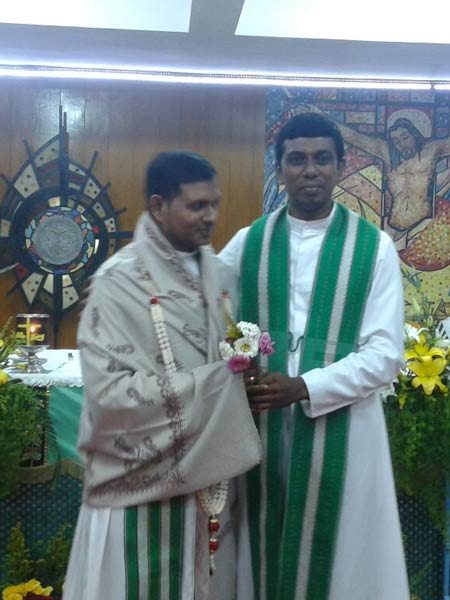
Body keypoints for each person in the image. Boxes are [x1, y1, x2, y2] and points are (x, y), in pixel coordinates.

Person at [220, 113, 410, 600]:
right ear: (279, 169)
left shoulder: (374, 248)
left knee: (342, 560)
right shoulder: (249, 243)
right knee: (263, 545)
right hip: (264, 429)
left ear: (341, 166)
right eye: (297, 160)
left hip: (344, 429)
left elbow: (386, 354)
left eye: (323, 159)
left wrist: (305, 386)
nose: (310, 170)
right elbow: (204, 310)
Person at [63, 151, 261, 600]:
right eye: (197, 206)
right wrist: (220, 386)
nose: (211, 217)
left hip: (205, 480)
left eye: (214, 203)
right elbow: (110, 396)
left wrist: (244, 377)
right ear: (158, 206)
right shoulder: (118, 282)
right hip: (136, 490)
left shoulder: (219, 275)